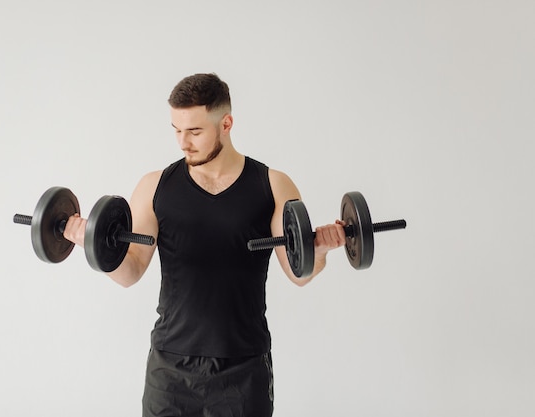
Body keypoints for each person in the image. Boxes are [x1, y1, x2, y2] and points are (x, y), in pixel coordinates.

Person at [64, 73, 346, 417]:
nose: (183, 143)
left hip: (243, 367)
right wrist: (90, 243)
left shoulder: (272, 185)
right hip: (170, 369)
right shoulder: (156, 186)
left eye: (195, 131)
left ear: (225, 123)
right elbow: (130, 272)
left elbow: (298, 272)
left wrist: (319, 251)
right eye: (176, 130)